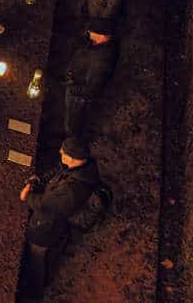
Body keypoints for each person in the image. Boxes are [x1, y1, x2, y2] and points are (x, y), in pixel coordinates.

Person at [20, 136, 103, 297]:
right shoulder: (83, 168)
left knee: (37, 258)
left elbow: (45, 205)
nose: (60, 154)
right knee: (49, 253)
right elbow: (60, 170)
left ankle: (34, 291)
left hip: (46, 229)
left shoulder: (71, 190)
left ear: (74, 158)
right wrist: (41, 179)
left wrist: (27, 195)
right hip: (57, 227)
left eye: (64, 153)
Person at [63, 18, 120, 141]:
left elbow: (91, 89)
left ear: (102, 36)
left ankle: (71, 144)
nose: (89, 33)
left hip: (77, 97)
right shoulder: (98, 46)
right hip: (75, 85)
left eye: (91, 31)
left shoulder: (101, 61)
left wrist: (71, 88)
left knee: (72, 121)